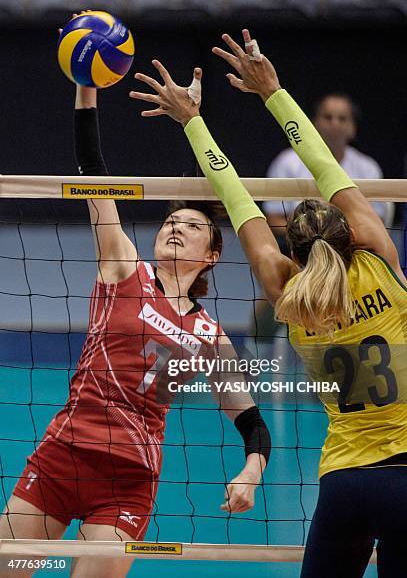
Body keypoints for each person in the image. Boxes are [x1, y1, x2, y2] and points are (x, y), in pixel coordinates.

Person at [130, 31, 407, 577]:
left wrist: (192, 121)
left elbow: (234, 196)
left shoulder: (289, 295)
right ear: (351, 232)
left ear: (293, 252)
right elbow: (327, 165)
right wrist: (273, 91)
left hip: (345, 481)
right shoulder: (381, 257)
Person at [0, 60, 271, 578]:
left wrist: (251, 473)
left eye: (191, 226)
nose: (175, 228)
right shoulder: (122, 265)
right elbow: (92, 169)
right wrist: (86, 93)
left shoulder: (212, 338)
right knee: (12, 569)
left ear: (212, 255)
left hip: (127, 483)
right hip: (62, 458)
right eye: (171, 221)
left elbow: (253, 424)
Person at [264, 92, 393, 237]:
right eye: (327, 117)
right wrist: (309, 238)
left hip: (354, 248)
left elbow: (378, 221)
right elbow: (274, 219)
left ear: (353, 127)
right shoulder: (287, 162)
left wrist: (339, 238)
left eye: (342, 118)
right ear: (313, 124)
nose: (334, 124)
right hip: (301, 249)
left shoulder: (368, 168)